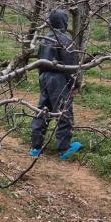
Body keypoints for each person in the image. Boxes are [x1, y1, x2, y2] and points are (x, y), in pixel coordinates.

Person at [30, 10, 82, 160]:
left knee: (42, 109)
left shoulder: (45, 38)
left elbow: (40, 61)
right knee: (64, 111)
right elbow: (70, 66)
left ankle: (36, 146)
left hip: (44, 77)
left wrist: (42, 79)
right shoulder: (65, 40)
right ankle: (64, 148)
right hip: (58, 78)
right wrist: (75, 85)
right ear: (63, 22)